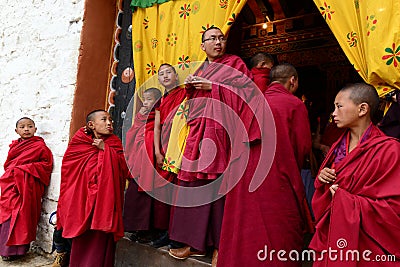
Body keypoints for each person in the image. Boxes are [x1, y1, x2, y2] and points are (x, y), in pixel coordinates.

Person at [168, 26, 259, 267]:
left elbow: (248, 93)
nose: (218, 42)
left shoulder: (236, 64)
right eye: (212, 39)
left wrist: (214, 87)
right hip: (199, 134)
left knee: (220, 190)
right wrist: (191, 86)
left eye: (221, 38)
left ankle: (222, 246)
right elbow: (194, 102)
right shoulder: (201, 68)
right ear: (203, 45)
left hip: (222, 134)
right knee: (195, 188)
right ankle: (193, 243)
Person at [218, 63, 312, 267]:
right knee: (279, 234)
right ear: (293, 81)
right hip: (277, 178)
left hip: (243, 179)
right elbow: (302, 147)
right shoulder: (294, 104)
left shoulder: (252, 103)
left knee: (245, 230)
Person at [310, 83, 400, 266]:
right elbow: (322, 197)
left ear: (362, 109)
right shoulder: (337, 147)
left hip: (371, 247)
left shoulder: (389, 149)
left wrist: (348, 201)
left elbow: (394, 209)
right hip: (336, 236)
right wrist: (323, 179)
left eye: (339, 106)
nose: (333, 113)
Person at [57, 110, 130, 267]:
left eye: (110, 119)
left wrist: (106, 150)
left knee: (100, 237)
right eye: (104, 119)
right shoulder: (80, 142)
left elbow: (125, 169)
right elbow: (69, 171)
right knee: (83, 237)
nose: (110, 123)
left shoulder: (114, 143)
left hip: (104, 202)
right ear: (91, 125)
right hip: (82, 200)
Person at [0, 117, 53, 261]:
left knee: (23, 217)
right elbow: (8, 164)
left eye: (30, 126)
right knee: (8, 216)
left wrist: (24, 170)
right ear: (16, 131)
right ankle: (6, 251)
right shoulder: (14, 147)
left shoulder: (40, 147)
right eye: (22, 127)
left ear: (35, 130)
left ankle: (20, 251)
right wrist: (15, 172)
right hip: (11, 185)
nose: (26, 129)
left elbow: (46, 166)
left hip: (28, 187)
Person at [123, 87, 168, 246]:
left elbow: (158, 132)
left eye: (150, 99)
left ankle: (149, 231)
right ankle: (136, 228)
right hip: (139, 161)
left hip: (151, 162)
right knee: (134, 195)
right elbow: (133, 132)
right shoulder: (141, 116)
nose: (147, 102)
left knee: (149, 197)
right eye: (145, 99)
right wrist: (141, 116)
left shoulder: (160, 112)